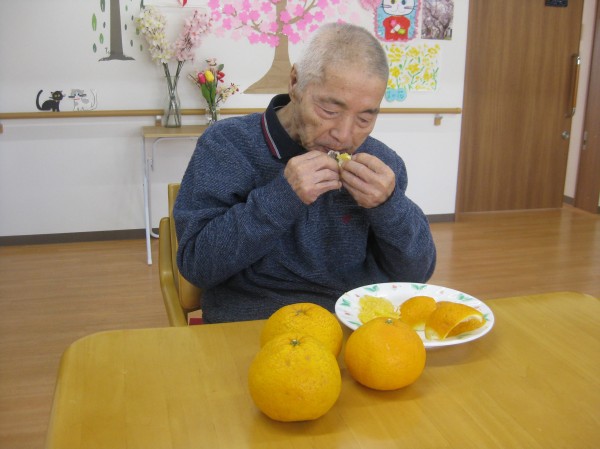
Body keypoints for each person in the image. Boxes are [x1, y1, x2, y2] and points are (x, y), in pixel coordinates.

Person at [174, 22, 436, 323]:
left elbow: (417, 274)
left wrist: (389, 207)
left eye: (364, 119)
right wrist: (282, 197)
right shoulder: (228, 145)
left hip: (350, 322)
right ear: (295, 82)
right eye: (330, 111)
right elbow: (197, 266)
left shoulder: (382, 162)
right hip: (252, 323)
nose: (344, 135)